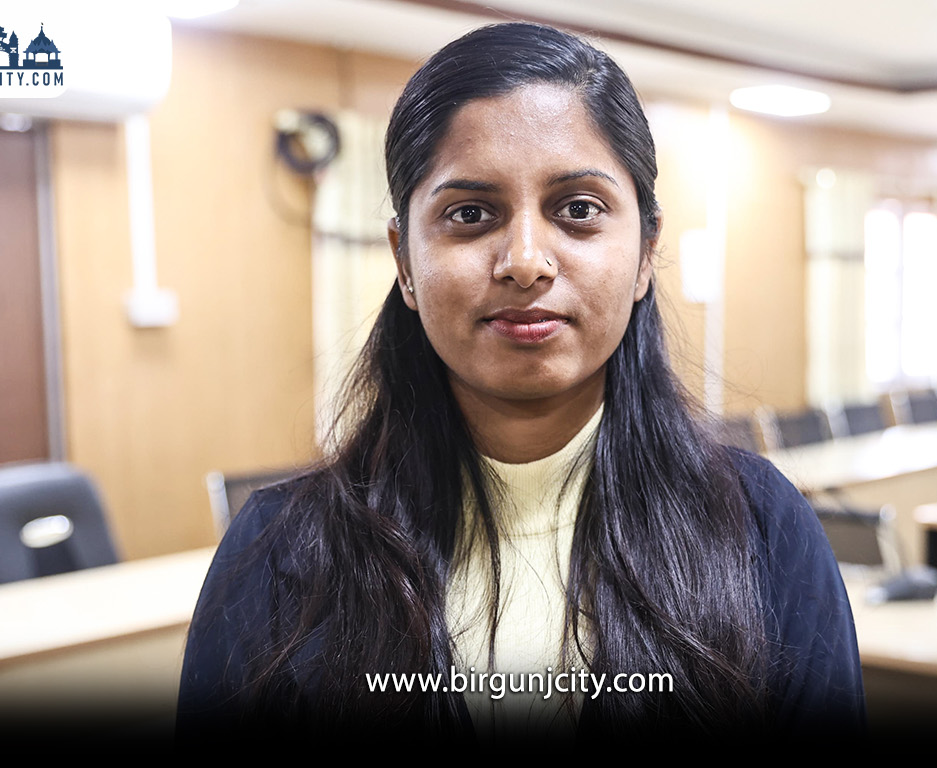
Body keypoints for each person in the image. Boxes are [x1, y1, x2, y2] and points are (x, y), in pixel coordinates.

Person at [177, 22, 863, 745]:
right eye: (470, 214)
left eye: (578, 209)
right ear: (404, 261)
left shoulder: (760, 527)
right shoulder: (281, 551)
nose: (526, 262)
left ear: (644, 253)